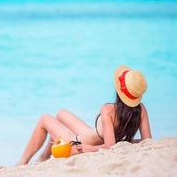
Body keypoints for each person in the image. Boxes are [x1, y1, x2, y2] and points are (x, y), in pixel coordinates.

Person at [17, 65, 152, 165]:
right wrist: (128, 141)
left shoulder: (108, 109)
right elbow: (147, 140)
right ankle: (44, 157)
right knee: (61, 114)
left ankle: (23, 162)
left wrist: (90, 149)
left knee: (44, 119)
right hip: (90, 134)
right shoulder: (141, 110)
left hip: (78, 143)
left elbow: (110, 146)